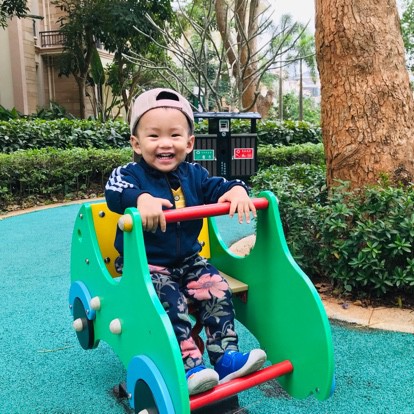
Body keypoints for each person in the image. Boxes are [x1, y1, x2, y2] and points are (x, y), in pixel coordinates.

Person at [105, 88, 267, 395]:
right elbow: (113, 191)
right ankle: (188, 365)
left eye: (175, 135)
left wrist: (236, 190)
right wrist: (140, 199)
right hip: (146, 265)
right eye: (154, 136)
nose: (165, 143)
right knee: (170, 300)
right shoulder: (130, 175)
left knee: (216, 289)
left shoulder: (195, 174)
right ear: (136, 143)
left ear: (189, 143)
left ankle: (225, 357)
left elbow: (219, 185)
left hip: (188, 260)